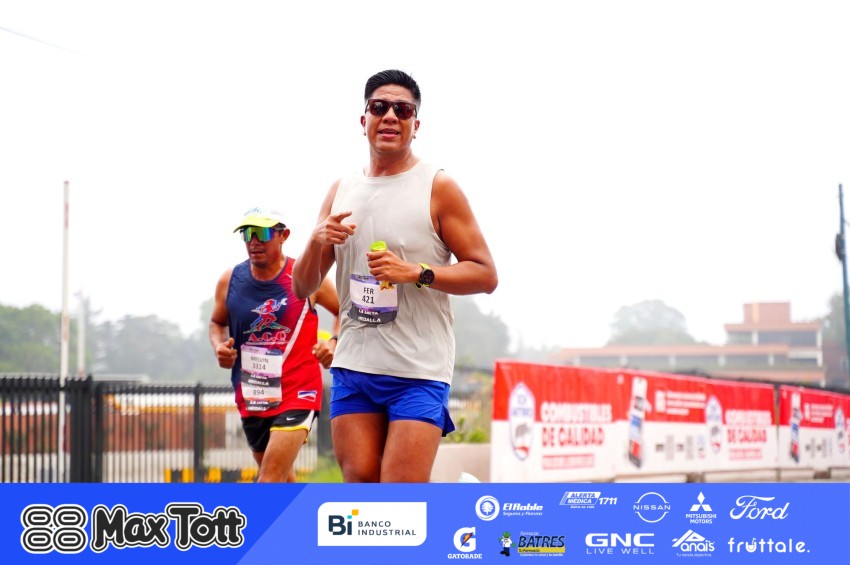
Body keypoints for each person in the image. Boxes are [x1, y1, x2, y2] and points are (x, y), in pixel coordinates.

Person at [292, 69, 498, 482]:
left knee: (400, 492)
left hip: (417, 368)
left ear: (415, 125)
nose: (390, 116)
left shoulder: (438, 186)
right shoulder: (342, 189)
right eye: (379, 107)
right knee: (362, 490)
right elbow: (302, 286)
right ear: (363, 119)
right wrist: (316, 241)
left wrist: (416, 272)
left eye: (402, 110)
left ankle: (451, 508)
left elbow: (485, 274)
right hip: (355, 365)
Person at [210, 207, 340, 482]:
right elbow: (216, 323)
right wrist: (219, 346)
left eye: (262, 233)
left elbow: (345, 311)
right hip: (254, 391)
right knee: (282, 481)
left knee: (269, 478)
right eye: (247, 234)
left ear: (284, 235)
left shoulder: (305, 276)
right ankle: (301, 512)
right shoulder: (229, 280)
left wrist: (334, 340)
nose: (254, 241)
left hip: (298, 390)